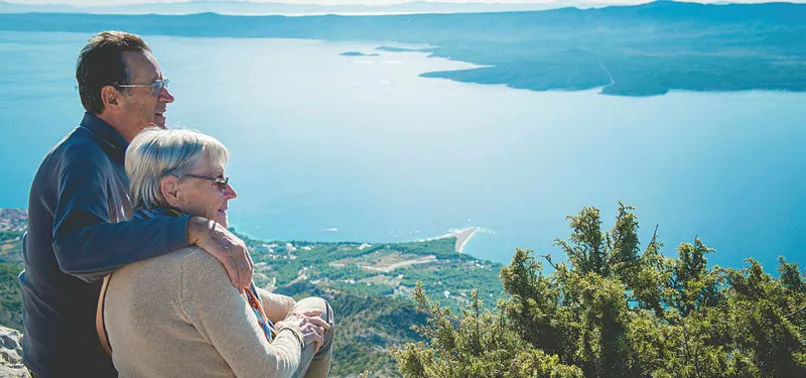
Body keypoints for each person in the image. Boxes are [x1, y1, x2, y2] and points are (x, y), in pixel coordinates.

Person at [19, 31, 254, 378]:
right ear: (111, 97)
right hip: (80, 364)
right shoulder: (83, 158)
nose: (167, 97)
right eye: (155, 86)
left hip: (100, 351)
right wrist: (191, 228)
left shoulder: (114, 154)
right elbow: (75, 250)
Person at [101, 127, 334, 377]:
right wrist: (295, 331)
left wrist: (291, 308)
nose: (232, 193)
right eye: (219, 182)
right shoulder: (196, 267)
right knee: (319, 311)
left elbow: (222, 300)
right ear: (172, 190)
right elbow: (267, 373)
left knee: (301, 308)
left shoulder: (122, 257)